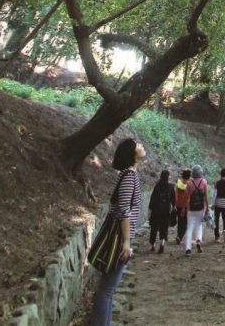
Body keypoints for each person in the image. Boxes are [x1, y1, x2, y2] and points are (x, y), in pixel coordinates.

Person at [90, 138, 144, 326]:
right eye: (138, 145)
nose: (142, 147)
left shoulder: (127, 174)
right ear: (132, 154)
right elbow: (123, 210)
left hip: (119, 234)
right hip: (119, 236)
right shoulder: (129, 176)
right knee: (107, 288)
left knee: (109, 288)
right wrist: (127, 242)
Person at [182, 165, 209, 255]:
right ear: (201, 174)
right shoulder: (204, 182)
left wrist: (183, 208)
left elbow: (186, 197)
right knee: (199, 225)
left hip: (191, 208)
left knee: (189, 228)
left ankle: (188, 249)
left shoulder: (189, 184)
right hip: (201, 208)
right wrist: (207, 206)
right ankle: (198, 240)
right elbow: (205, 196)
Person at [148, 170, 174, 253]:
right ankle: (162, 242)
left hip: (156, 209)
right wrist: (174, 207)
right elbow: (173, 198)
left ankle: (152, 245)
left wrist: (150, 209)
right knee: (164, 226)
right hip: (166, 210)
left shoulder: (157, 186)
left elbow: (153, 198)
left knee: (154, 227)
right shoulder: (170, 186)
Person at [174, 169, 192, 245]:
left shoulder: (179, 184)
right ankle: (180, 237)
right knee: (185, 223)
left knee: (180, 221)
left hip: (178, 205)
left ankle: (179, 235)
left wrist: (175, 204)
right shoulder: (189, 185)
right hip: (186, 205)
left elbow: (176, 195)